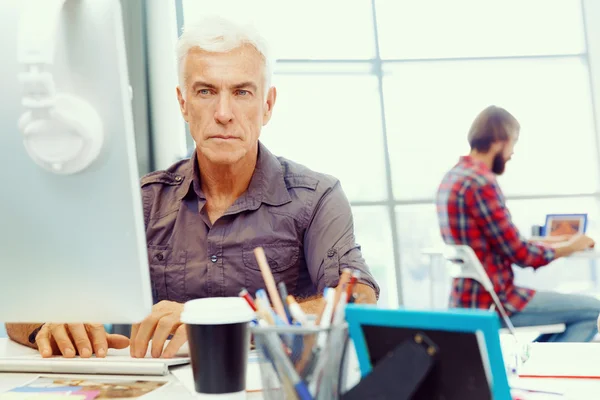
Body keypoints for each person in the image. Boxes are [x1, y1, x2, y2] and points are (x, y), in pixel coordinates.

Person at [6, 17, 379, 358]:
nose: (223, 113)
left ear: (267, 105)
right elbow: (21, 309)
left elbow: (358, 299)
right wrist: (47, 323)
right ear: (183, 103)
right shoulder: (142, 202)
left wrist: (224, 316)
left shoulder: (316, 198)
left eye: (242, 92)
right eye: (205, 92)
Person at [436, 105, 600, 342]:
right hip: (496, 301)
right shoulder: (481, 182)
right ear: (499, 141)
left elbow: (499, 240)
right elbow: (521, 254)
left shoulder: (453, 177)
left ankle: (540, 366)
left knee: (576, 311)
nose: (512, 152)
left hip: (467, 297)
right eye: (513, 143)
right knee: (594, 309)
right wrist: (570, 247)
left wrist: (557, 240)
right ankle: (546, 372)